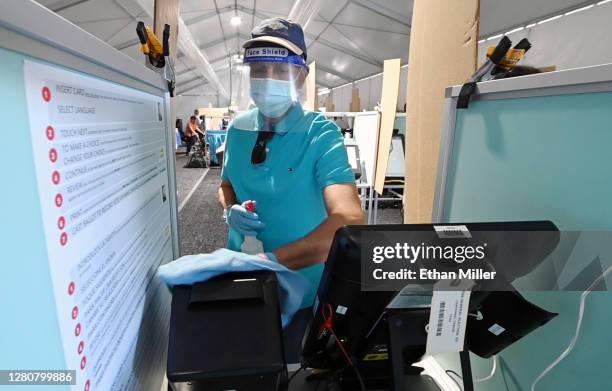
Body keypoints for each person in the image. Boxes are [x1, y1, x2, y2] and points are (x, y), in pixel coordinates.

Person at [218, 18, 364, 360]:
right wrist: (229, 209)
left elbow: (349, 219)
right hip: (245, 277)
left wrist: (272, 262)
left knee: (297, 367)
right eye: (258, 69)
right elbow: (225, 184)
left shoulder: (320, 134)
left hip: (303, 285)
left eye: (278, 69)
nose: (266, 79)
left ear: (300, 76)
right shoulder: (238, 129)